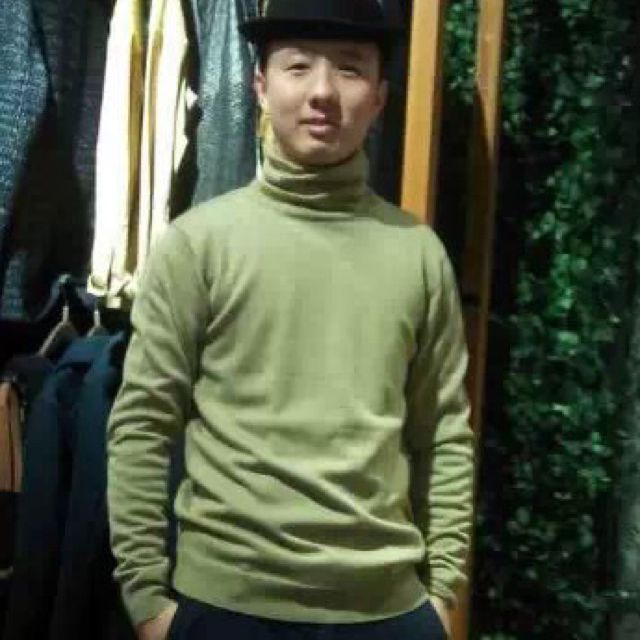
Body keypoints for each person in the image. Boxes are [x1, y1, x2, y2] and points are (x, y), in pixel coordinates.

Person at [106, 1, 475, 639]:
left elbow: (442, 431)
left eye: (351, 69)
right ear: (260, 85)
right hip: (222, 608)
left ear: (381, 97)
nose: (322, 92)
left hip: (389, 612)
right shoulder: (197, 244)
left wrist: (443, 595)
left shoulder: (418, 254)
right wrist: (146, 600)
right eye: (298, 66)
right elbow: (142, 423)